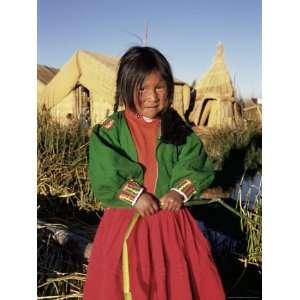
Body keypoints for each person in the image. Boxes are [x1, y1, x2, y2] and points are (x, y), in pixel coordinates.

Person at [83, 46, 225, 300]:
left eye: (159, 87)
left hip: (170, 222)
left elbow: (196, 163)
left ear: (168, 88)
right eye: (141, 89)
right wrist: (136, 196)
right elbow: (104, 170)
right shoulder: (109, 131)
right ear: (125, 88)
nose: (151, 96)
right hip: (126, 220)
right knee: (125, 280)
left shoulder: (176, 128)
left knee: (174, 280)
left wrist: (178, 191)